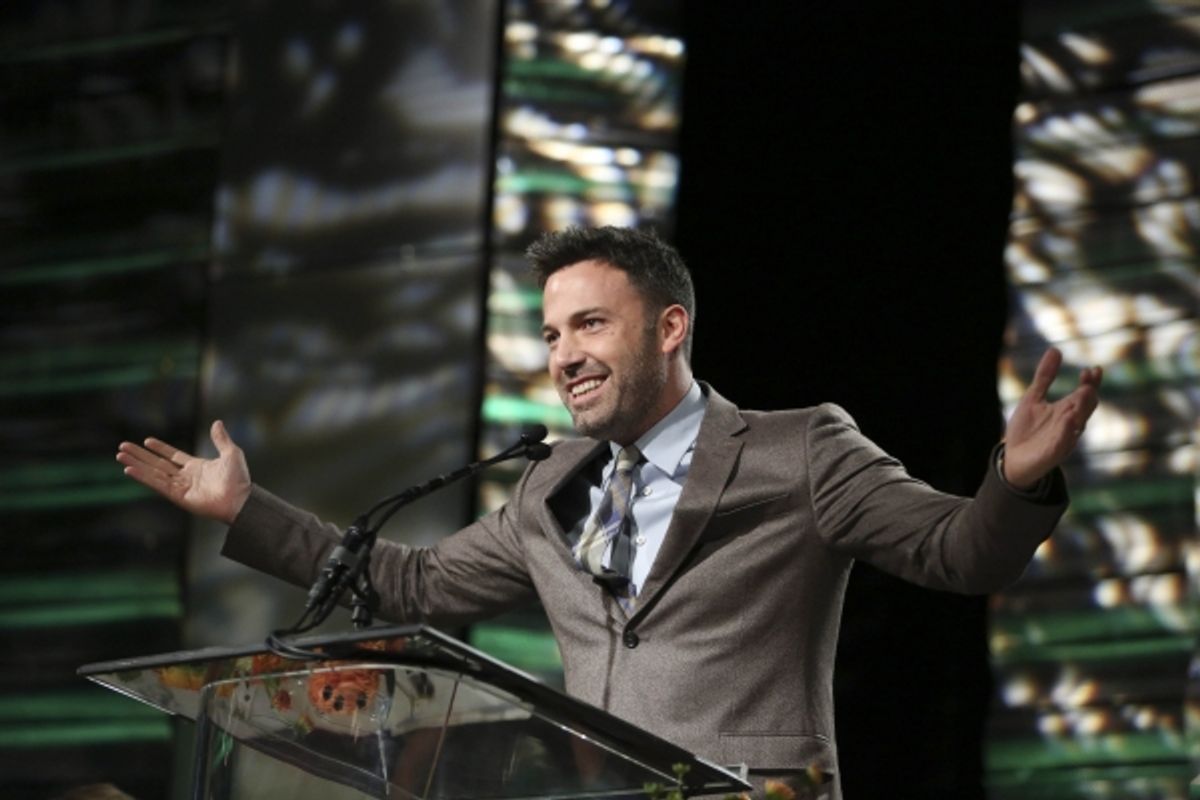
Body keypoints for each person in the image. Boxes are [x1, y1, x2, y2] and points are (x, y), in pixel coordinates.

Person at [117, 226, 1102, 799]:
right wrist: (246, 507)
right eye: (551, 332)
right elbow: (413, 580)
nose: (563, 353)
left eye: (589, 322)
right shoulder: (551, 484)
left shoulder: (800, 447)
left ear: (671, 326)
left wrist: (1013, 481)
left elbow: (958, 553)